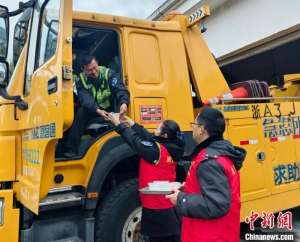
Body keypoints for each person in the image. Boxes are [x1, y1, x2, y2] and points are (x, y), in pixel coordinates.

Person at [166, 107, 246, 242]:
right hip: (221, 233)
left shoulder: (209, 162)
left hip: (208, 236)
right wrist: (189, 188)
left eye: (194, 125)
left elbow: (216, 204)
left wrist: (181, 199)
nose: (193, 129)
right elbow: (218, 192)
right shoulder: (221, 154)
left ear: (202, 129)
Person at [107, 113, 184, 242]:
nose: (155, 130)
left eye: (158, 128)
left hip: (157, 208)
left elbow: (135, 141)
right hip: (166, 205)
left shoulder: (156, 152)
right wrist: (131, 123)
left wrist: (118, 125)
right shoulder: (171, 146)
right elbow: (149, 137)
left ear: (164, 135)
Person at [57, 55, 130, 157]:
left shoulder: (109, 74)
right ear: (83, 70)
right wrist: (97, 110)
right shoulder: (80, 80)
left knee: (119, 104)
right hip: (93, 110)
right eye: (90, 70)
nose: (94, 72)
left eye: (95, 67)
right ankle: (71, 149)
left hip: (110, 109)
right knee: (81, 111)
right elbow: (85, 98)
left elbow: (120, 89)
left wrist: (124, 103)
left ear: (97, 63)